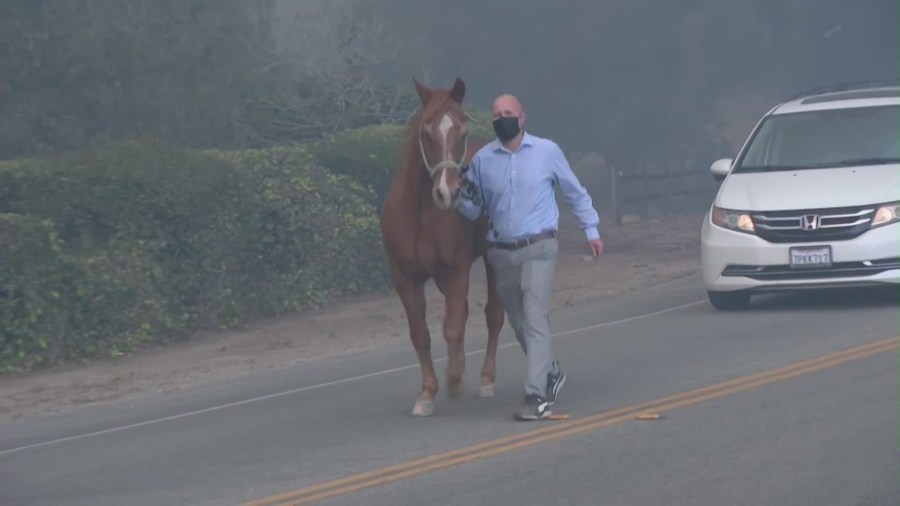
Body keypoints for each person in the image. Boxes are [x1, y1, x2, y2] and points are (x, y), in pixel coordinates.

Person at [456, 93, 604, 421]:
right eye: (496, 114)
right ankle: (550, 371)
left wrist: (590, 229)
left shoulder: (546, 152)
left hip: (539, 246)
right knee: (519, 321)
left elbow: (574, 191)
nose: (502, 118)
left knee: (535, 317)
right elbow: (471, 210)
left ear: (522, 117)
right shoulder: (483, 160)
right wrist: (459, 191)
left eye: (508, 112)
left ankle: (536, 394)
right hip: (500, 252)